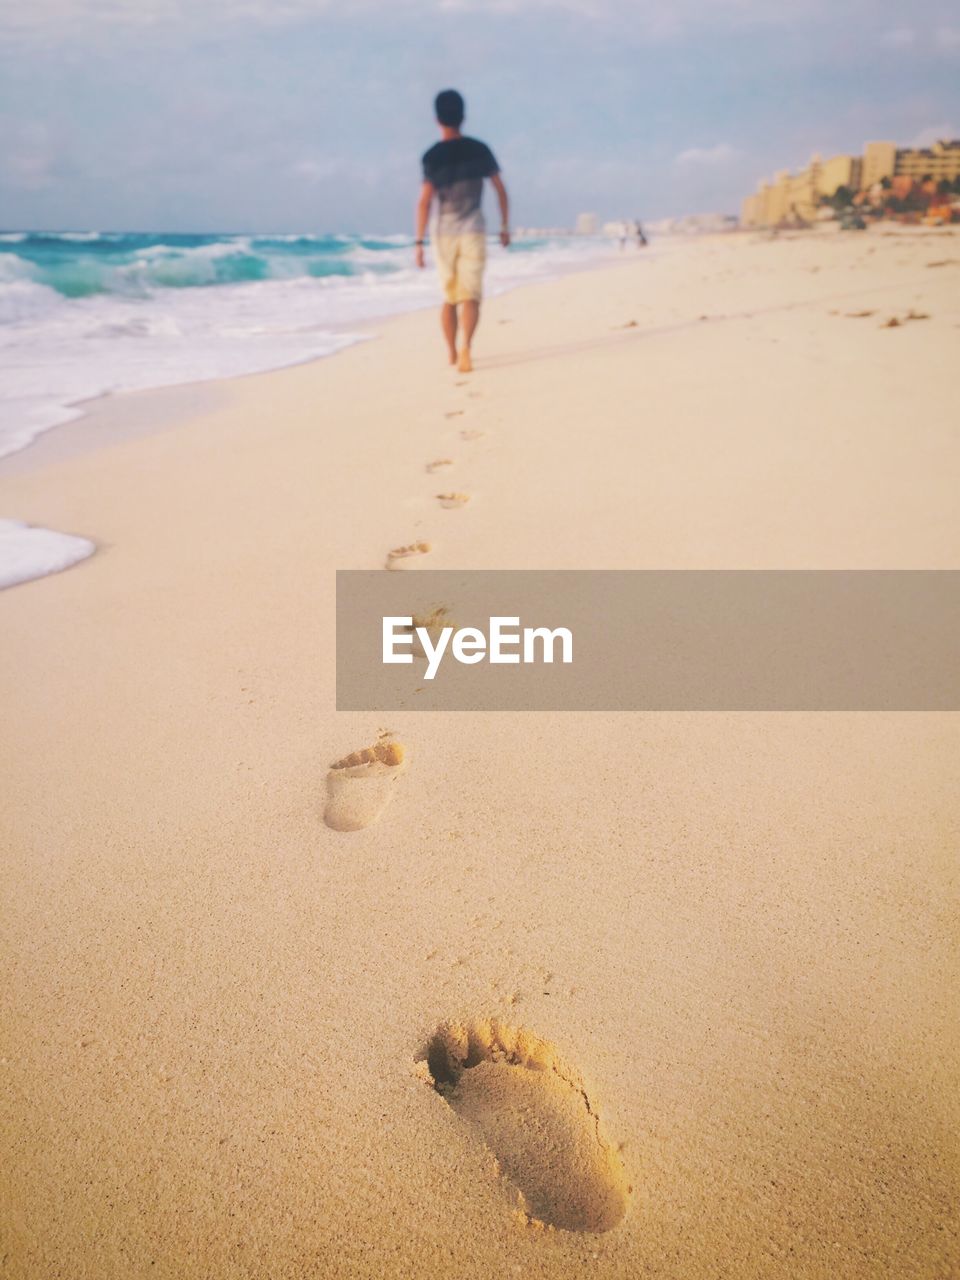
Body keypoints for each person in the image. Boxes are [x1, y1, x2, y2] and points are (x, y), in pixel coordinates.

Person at [415, 89, 510, 373]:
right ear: (463, 116)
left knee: (449, 296)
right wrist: (504, 226)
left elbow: (424, 202)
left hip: (443, 232)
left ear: (437, 119)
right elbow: (500, 190)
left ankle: (451, 351)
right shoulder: (479, 149)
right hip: (473, 229)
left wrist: (418, 242)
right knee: (471, 295)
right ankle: (467, 345)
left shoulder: (432, 156)